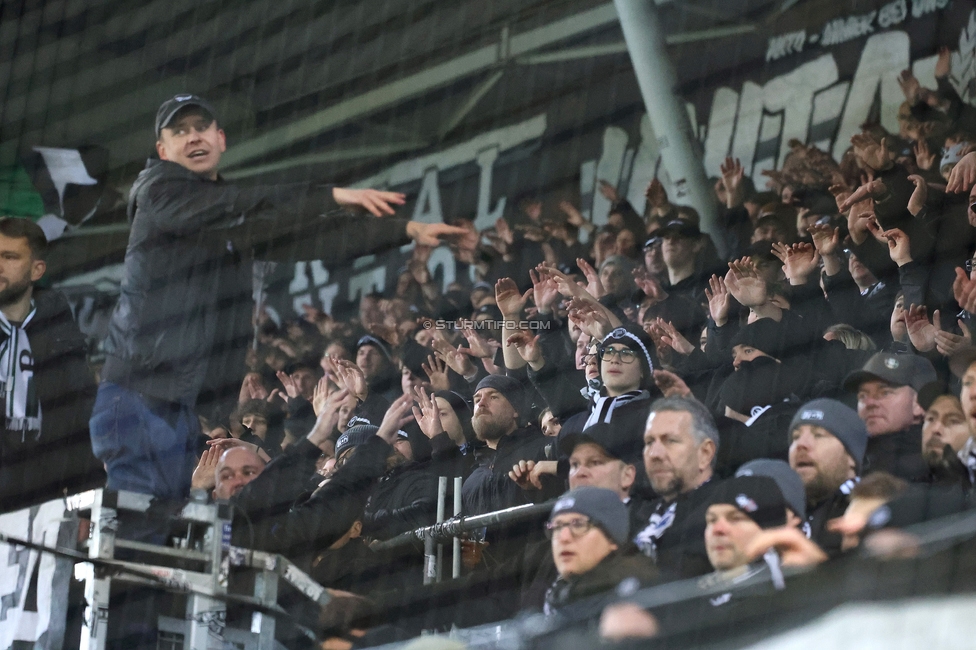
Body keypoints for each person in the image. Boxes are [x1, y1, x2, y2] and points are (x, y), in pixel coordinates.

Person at [90, 94, 468, 503]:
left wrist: (406, 230)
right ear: (163, 151)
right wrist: (331, 195)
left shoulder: (228, 216)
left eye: (201, 127)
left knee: (173, 525)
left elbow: (310, 237)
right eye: (179, 132)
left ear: (221, 139)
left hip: (180, 402)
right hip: (138, 390)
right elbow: (225, 204)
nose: (192, 137)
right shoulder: (158, 192)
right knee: (136, 520)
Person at [0, 217, 101, 513]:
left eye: (10, 257)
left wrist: (85, 502)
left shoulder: (57, 332)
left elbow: (78, 418)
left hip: (42, 498)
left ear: (37, 270)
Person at [633, 396, 720, 579]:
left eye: (670, 441)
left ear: (705, 453)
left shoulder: (724, 516)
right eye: (649, 442)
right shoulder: (635, 518)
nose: (655, 454)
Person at [543, 487, 658, 614]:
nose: (563, 538)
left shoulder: (637, 600)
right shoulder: (560, 597)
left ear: (612, 539)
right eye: (557, 526)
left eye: (578, 525)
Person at [787, 398, 867, 556]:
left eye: (819, 435)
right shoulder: (781, 515)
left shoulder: (866, 508)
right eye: (796, 437)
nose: (801, 444)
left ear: (851, 456)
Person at [843, 351, 935, 481]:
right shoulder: (848, 459)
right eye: (863, 396)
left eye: (885, 393)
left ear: (918, 404)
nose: (869, 403)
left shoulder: (936, 462)